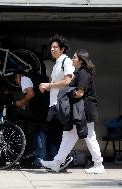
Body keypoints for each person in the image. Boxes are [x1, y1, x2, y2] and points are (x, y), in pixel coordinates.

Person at [41, 49, 105, 174]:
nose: (72, 59)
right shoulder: (79, 72)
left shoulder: (84, 74)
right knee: (68, 135)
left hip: (85, 111)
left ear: (81, 60)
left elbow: (80, 93)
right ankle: (57, 162)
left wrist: (67, 94)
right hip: (79, 112)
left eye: (74, 57)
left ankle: (98, 164)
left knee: (89, 136)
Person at [39, 34, 75, 169]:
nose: (52, 50)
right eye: (51, 47)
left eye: (55, 47)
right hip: (54, 103)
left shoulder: (66, 61)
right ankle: (58, 161)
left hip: (62, 103)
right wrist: (47, 86)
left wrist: (49, 86)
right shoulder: (56, 64)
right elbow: (56, 84)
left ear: (63, 49)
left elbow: (67, 81)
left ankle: (61, 160)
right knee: (54, 132)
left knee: (55, 132)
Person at [11, 70, 46, 167]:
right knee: (46, 133)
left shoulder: (24, 78)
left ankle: (39, 161)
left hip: (40, 109)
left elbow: (31, 94)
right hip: (46, 106)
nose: (18, 84)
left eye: (16, 81)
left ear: (18, 76)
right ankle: (47, 159)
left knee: (39, 132)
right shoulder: (35, 77)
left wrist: (21, 102)